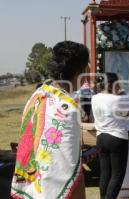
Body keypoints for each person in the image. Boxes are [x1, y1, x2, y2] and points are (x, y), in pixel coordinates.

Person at [11, 41, 89, 199]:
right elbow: (69, 171)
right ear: (80, 71)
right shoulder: (67, 108)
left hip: (29, 188)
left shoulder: (37, 95)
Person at [91, 73, 129, 199]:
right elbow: (127, 114)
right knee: (117, 174)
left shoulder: (95, 98)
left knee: (105, 173)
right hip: (117, 138)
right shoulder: (118, 99)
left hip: (101, 137)